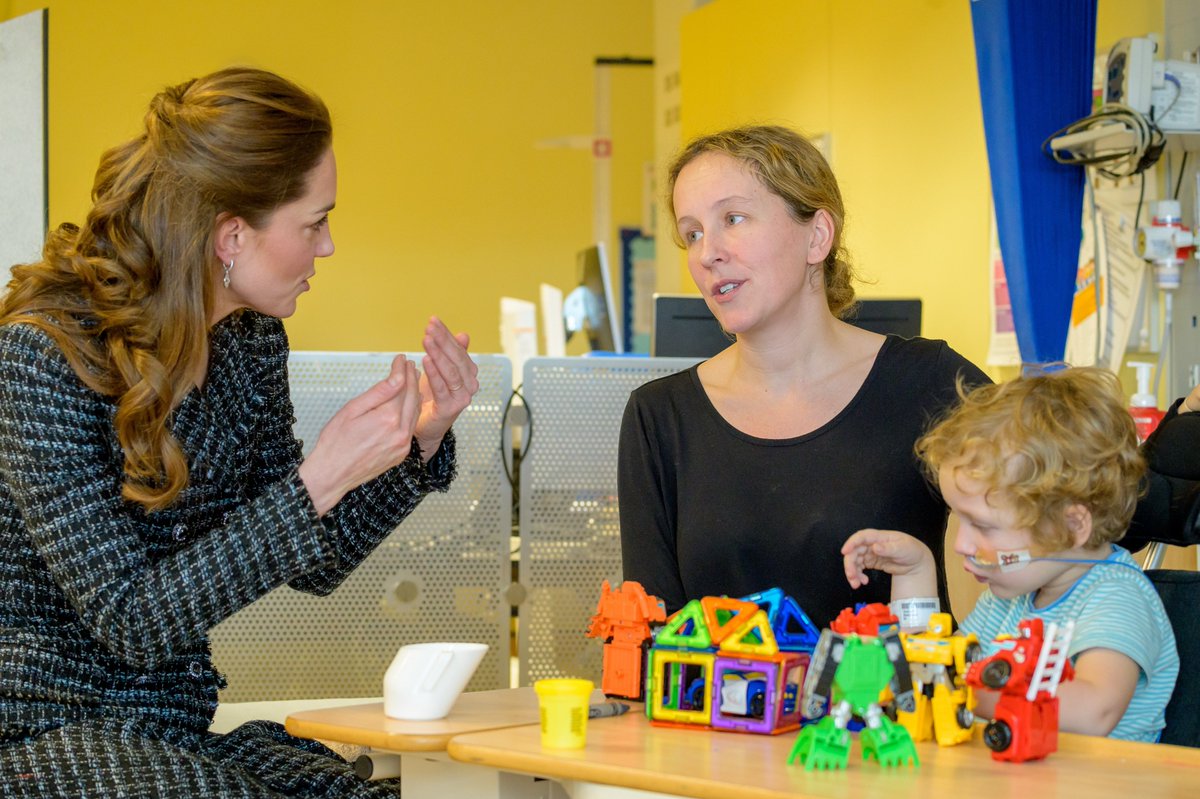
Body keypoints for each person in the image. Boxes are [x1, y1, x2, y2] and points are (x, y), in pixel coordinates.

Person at [0, 67, 479, 796]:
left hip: (171, 730)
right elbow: (130, 619)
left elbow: (311, 562)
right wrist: (318, 478)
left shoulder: (249, 345)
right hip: (43, 731)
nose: (328, 247)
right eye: (314, 222)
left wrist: (419, 442)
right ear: (231, 235)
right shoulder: (43, 355)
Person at [618, 125, 988, 627]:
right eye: (693, 233)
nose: (707, 254)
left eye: (733, 218)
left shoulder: (928, 382)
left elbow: (1071, 502)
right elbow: (648, 634)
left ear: (817, 236)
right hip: (716, 705)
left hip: (887, 704)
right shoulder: (660, 416)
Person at [842, 367, 1179, 742]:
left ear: (1071, 526)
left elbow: (1094, 711)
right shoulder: (1007, 599)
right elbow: (930, 663)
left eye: (983, 526)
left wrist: (962, 692)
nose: (961, 545)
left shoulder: (1117, 598)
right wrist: (915, 573)